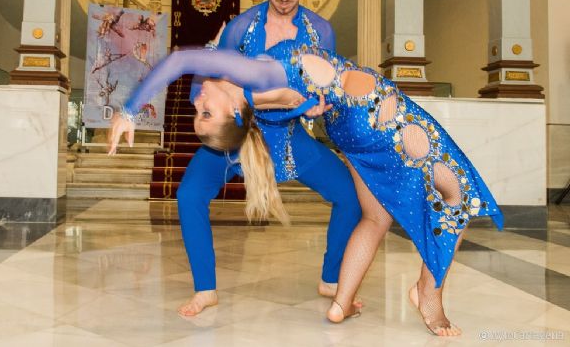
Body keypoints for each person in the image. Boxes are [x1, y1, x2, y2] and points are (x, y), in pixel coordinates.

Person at [109, 42, 503, 336]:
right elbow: (180, 59)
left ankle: (341, 303)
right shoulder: (252, 77)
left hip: (349, 129)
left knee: (374, 215)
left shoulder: (255, 97)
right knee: (461, 192)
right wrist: (128, 110)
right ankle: (428, 292)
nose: (198, 103)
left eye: (199, 113)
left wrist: (308, 106)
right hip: (376, 112)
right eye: (205, 114)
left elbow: (297, 102)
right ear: (232, 112)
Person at [112, 0, 362, 317]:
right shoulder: (243, 28)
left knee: (350, 197)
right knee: (188, 196)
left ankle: (330, 278)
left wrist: (313, 111)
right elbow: (213, 77)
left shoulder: (321, 33)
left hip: (291, 140)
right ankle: (205, 289)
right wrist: (129, 110)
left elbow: (318, 90)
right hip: (238, 137)